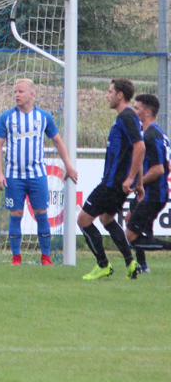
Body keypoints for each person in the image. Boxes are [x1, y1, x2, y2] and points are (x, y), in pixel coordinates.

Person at [0, 79, 78, 266]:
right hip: (14, 175)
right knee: (16, 213)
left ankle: (45, 258)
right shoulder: (6, 117)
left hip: (37, 175)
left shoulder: (44, 117)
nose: (17, 95)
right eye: (15, 92)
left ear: (31, 94)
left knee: (41, 213)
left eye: (21, 91)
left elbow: (57, 140)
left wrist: (68, 165)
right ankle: (16, 258)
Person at [77, 78, 145, 280]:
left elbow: (140, 147)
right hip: (119, 182)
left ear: (119, 95)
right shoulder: (128, 118)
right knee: (106, 219)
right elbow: (136, 150)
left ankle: (103, 265)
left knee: (83, 220)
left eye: (109, 91)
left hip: (113, 182)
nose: (106, 95)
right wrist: (139, 182)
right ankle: (130, 263)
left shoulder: (126, 117)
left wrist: (131, 178)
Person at [124, 94, 171, 273]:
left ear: (147, 112)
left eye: (137, 108)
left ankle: (146, 263)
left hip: (153, 194)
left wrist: (138, 182)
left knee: (131, 235)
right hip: (149, 193)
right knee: (130, 220)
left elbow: (159, 169)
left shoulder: (151, 136)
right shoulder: (159, 134)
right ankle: (143, 266)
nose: (134, 111)